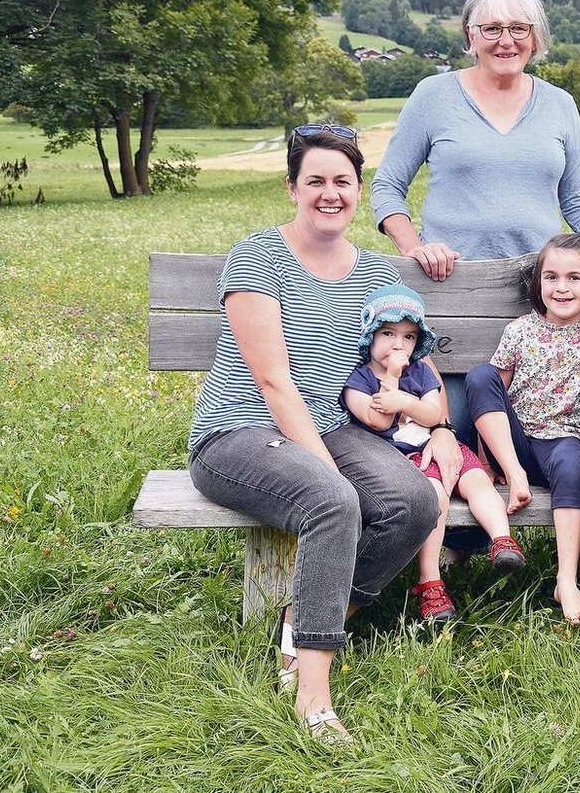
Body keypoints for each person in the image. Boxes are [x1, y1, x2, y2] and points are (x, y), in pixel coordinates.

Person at [187, 124, 438, 743]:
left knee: (414, 502)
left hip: (330, 421)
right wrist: (328, 468)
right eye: (316, 181)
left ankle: (304, 620)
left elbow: (400, 353)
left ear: (359, 189)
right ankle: (313, 694)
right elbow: (273, 384)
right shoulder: (257, 258)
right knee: (333, 500)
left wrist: (419, 412)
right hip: (238, 436)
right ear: (292, 187)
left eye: (343, 182)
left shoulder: (378, 273)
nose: (331, 194)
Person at [370, 0, 580, 449]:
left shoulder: (559, 105)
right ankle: (463, 526)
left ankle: (511, 522)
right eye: (491, 29)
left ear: (536, 37)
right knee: (455, 426)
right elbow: (387, 188)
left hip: (537, 302)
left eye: (519, 28)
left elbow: (579, 203)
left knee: (530, 433)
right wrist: (416, 246)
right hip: (453, 295)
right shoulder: (434, 96)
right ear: (471, 36)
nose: (505, 41)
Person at [341, 284, 526, 625]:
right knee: (436, 497)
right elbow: (375, 418)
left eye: (409, 338)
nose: (399, 344)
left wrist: (408, 401)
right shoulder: (360, 380)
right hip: (404, 460)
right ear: (369, 336)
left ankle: (502, 541)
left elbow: (433, 413)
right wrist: (392, 379)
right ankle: (431, 583)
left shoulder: (422, 372)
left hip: (441, 447)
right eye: (388, 333)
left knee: (477, 481)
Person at [465, 234, 580, 624]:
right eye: (551, 277)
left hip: (562, 439)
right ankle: (517, 479)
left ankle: (567, 578)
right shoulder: (520, 331)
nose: (561, 287)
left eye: (574, 278)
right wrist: (487, 462)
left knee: (570, 461)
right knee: (481, 376)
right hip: (515, 445)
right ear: (538, 283)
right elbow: (490, 400)